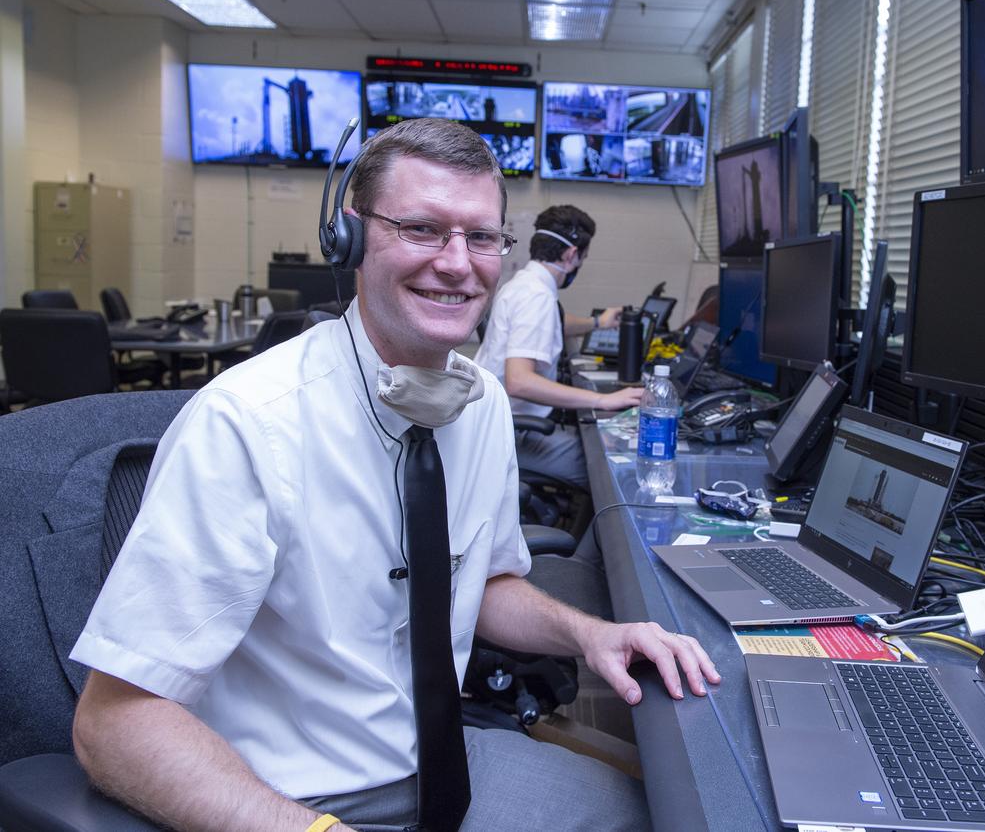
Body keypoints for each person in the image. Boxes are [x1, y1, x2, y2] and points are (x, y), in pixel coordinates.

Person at [69, 118, 718, 832]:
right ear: (349, 237)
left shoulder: (483, 404)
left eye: (480, 237)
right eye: (420, 229)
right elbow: (113, 725)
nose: (456, 262)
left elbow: (487, 583)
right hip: (288, 797)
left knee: (657, 819)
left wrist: (593, 636)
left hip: (442, 766)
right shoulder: (247, 422)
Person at [475, 205, 644, 488]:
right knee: (608, 466)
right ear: (570, 255)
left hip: (495, 425)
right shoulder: (537, 297)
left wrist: (598, 322)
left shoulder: (524, 285)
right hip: (512, 433)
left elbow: (552, 324)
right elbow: (519, 381)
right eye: (582, 259)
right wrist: (603, 400)